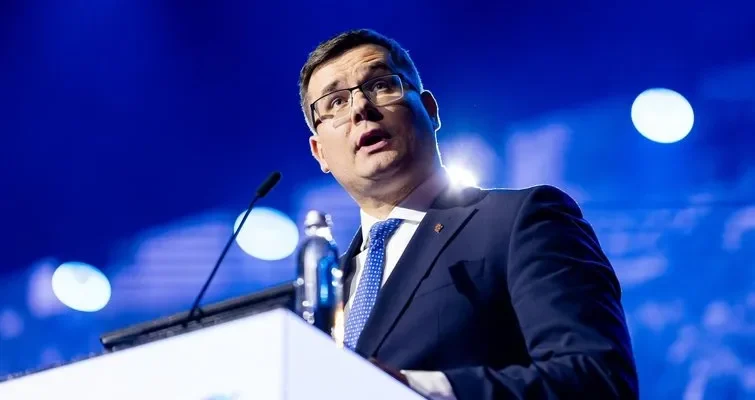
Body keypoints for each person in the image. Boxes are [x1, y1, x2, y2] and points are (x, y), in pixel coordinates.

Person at [297, 28, 638, 400]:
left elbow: (596, 379)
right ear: (320, 153)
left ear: (430, 110)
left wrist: (415, 390)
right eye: (335, 102)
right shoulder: (322, 289)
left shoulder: (521, 221)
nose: (360, 108)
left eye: (381, 85)